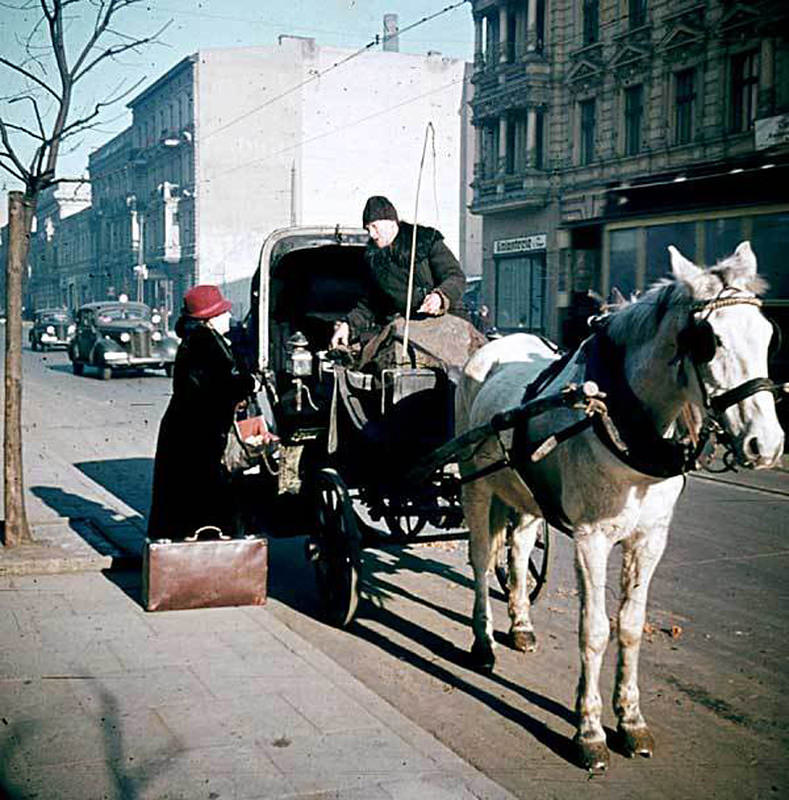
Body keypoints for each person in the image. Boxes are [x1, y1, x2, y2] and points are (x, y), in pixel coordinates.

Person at [147, 285, 254, 540]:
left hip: (188, 428)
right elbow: (218, 387)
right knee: (202, 495)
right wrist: (250, 384)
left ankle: (193, 546)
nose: (229, 317)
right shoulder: (204, 343)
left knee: (187, 497)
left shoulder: (202, 339)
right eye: (222, 313)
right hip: (196, 433)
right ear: (209, 319)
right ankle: (205, 556)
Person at [330, 195, 467, 349]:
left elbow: (455, 276)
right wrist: (348, 325)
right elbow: (372, 303)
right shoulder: (375, 260)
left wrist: (440, 297)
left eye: (375, 227)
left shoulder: (425, 241)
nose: (372, 235)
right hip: (407, 329)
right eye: (368, 229)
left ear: (391, 222)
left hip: (446, 321)